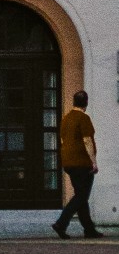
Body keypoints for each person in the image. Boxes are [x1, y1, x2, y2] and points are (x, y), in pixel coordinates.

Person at [55, 91, 100, 236]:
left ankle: (89, 229)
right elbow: (87, 140)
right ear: (86, 103)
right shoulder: (83, 118)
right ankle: (61, 223)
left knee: (81, 196)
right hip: (82, 162)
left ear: (74, 102)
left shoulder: (66, 119)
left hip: (68, 162)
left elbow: (63, 140)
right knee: (81, 196)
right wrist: (93, 162)